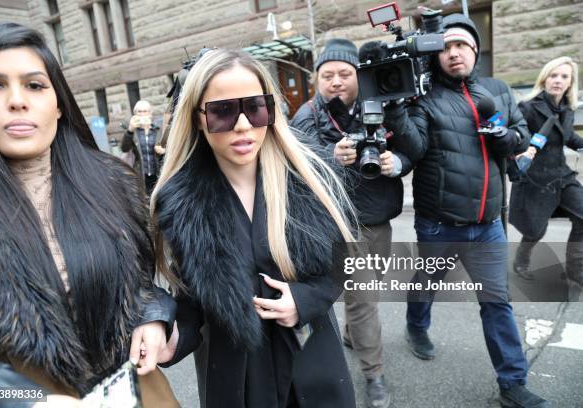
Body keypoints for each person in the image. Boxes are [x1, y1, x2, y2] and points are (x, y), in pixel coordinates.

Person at [0, 23, 178, 407]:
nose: (17, 100)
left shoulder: (111, 183)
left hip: (137, 392)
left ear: (59, 102)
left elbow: (140, 286)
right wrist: (27, 401)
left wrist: (154, 317)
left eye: (34, 85)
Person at [151, 49, 357, 408]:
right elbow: (191, 299)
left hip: (312, 364)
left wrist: (306, 300)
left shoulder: (310, 177)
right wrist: (170, 336)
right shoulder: (180, 204)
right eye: (222, 111)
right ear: (198, 118)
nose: (243, 125)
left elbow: (342, 261)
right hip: (236, 379)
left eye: (256, 107)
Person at [384, 14, 549, 407]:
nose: (453, 53)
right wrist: (395, 110)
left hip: (489, 225)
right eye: (445, 47)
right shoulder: (425, 100)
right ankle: (416, 326)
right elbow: (414, 147)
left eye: (461, 45)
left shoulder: (498, 91)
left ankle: (512, 384)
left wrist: (506, 137)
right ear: (436, 56)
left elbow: (521, 133)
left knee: (497, 304)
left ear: (474, 50)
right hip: (439, 225)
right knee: (428, 283)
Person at [290, 38, 412, 408]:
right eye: (328, 75)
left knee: (368, 290)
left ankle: (350, 334)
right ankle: (374, 374)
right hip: (338, 227)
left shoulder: (380, 106)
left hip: (380, 221)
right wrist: (329, 156)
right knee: (364, 302)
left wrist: (399, 163)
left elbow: (413, 146)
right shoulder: (305, 117)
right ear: (317, 80)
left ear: (359, 76)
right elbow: (292, 171)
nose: (337, 81)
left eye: (345, 73)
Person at [509, 56, 583, 286]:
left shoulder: (567, 109)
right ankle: (521, 259)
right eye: (553, 75)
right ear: (544, 78)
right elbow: (517, 138)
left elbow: (567, 135)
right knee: (535, 229)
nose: (558, 80)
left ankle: (576, 269)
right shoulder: (528, 108)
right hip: (536, 180)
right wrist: (522, 149)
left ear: (570, 83)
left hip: (561, 176)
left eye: (564, 76)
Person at [121, 99, 165, 194]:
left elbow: (170, 148)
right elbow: (124, 148)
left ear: (150, 113)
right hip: (140, 174)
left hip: (158, 173)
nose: (142, 114)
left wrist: (163, 151)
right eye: (139, 111)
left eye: (145, 111)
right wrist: (130, 130)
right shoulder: (133, 130)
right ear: (135, 114)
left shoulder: (158, 129)